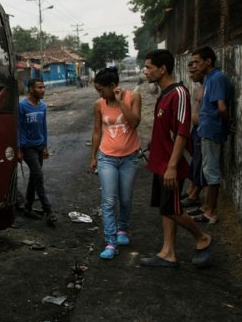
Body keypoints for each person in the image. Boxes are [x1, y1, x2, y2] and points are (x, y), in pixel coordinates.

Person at [139, 49, 213, 268]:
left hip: (170, 164)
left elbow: (182, 132)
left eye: (149, 67)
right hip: (160, 161)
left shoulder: (179, 93)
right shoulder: (164, 93)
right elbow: (167, 129)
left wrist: (172, 166)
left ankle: (202, 237)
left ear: (162, 69)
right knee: (166, 208)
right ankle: (168, 252)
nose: (146, 71)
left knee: (171, 209)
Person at [88, 67, 142, 259]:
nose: (99, 94)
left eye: (101, 89)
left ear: (113, 86)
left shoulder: (133, 97)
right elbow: (96, 131)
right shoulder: (98, 104)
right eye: (97, 90)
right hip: (106, 158)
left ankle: (122, 230)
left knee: (125, 199)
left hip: (129, 158)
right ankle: (110, 243)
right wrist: (93, 156)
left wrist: (120, 103)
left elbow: (135, 122)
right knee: (109, 201)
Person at [190, 46, 233, 224]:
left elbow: (221, 106)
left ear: (208, 61)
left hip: (212, 129)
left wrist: (228, 123)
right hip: (206, 129)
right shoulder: (209, 79)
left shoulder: (217, 78)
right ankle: (205, 207)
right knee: (207, 169)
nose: (195, 66)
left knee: (211, 171)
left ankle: (210, 212)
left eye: (198, 62)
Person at [18, 78, 57, 225]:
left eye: (43, 87)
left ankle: (28, 208)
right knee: (38, 176)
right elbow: (17, 128)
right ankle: (48, 210)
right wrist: (18, 149)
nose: (43, 90)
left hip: (40, 146)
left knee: (34, 178)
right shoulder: (21, 106)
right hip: (28, 148)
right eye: (39, 88)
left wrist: (45, 146)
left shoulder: (43, 106)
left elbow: (44, 127)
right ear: (31, 89)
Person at [181, 59, 206, 211]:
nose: (191, 76)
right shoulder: (199, 88)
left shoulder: (209, 87)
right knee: (195, 160)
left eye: (194, 72)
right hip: (196, 129)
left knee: (200, 161)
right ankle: (192, 189)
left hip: (204, 129)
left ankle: (195, 194)